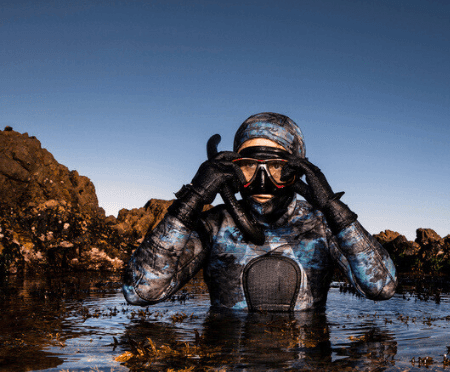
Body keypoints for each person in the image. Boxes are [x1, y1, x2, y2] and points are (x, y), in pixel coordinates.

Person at [123, 112, 397, 311]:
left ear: (298, 170)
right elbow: (141, 292)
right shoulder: (215, 225)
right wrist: (191, 199)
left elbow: (382, 287)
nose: (261, 180)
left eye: (276, 166)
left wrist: (333, 207)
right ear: (231, 169)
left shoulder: (321, 224)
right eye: (249, 166)